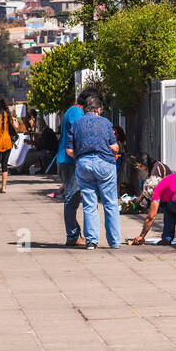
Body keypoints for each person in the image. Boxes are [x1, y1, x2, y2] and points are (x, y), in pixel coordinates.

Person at [67, 92, 121, 249]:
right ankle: (114, 241)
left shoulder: (77, 124)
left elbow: (69, 150)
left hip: (83, 164)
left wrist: (80, 157)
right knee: (110, 202)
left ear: (85, 109)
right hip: (105, 164)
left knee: (89, 203)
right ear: (99, 109)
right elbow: (114, 146)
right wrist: (116, 152)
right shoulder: (105, 123)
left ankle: (91, 241)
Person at [57, 97, 86, 238]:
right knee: (72, 197)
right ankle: (73, 235)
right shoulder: (76, 112)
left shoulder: (71, 110)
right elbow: (79, 132)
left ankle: (75, 233)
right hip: (70, 160)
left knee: (73, 196)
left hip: (67, 159)